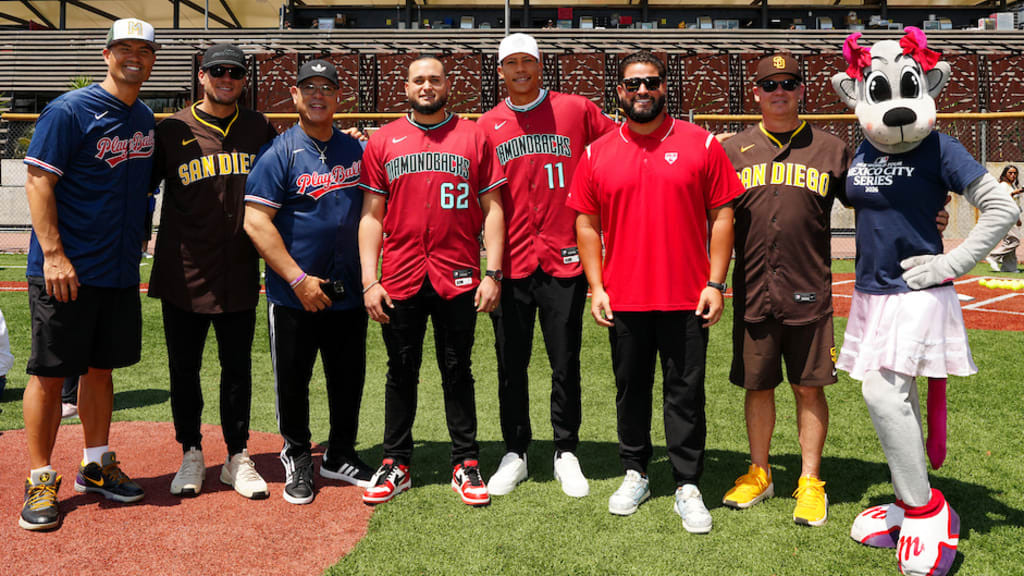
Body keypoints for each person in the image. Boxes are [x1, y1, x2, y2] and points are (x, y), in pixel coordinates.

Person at [568, 51, 743, 533]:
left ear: (665, 86)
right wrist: (597, 286)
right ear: (619, 92)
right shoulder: (597, 152)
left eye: (650, 82)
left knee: (685, 393)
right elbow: (586, 223)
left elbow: (722, 215)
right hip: (624, 296)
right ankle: (636, 471)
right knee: (631, 390)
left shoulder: (701, 144)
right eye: (632, 84)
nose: (641, 91)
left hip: (688, 295)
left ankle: (687, 482)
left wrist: (715, 282)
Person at [19, 18, 158, 531]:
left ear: (153, 59)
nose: (134, 57)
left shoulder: (143, 115)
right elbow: (37, 182)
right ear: (106, 54)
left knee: (101, 371)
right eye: (124, 48)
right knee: (51, 375)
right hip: (65, 272)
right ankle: (39, 478)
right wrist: (53, 254)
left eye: (143, 50)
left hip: (117, 270)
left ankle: (96, 465)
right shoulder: (69, 110)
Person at [358, 55, 506, 507]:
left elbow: (494, 207)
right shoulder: (384, 140)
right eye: (419, 80)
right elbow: (371, 216)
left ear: (448, 86)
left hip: (458, 274)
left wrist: (493, 272)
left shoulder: (474, 135)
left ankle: (465, 461)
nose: (427, 87)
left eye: (434, 80)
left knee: (458, 370)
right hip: (401, 276)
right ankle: (396, 463)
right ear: (406, 87)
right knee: (400, 373)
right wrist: (369, 280)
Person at [478, 33, 617, 498]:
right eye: (511, 63)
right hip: (513, 261)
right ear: (500, 71)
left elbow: (617, 148)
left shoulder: (576, 110)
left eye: (527, 62)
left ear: (541, 66)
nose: (520, 69)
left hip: (566, 257)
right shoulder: (489, 124)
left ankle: (566, 450)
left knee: (565, 361)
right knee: (509, 363)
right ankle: (515, 451)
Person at [719, 53, 851, 527]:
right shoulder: (732, 151)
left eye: (788, 83)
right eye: (769, 84)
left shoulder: (831, 149)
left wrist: (926, 212)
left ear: (801, 91)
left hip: (808, 289)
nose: (779, 91)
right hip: (753, 288)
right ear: (755, 93)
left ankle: (810, 479)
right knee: (757, 386)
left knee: (808, 386)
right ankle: (760, 471)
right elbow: (709, 218)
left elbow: (873, 202)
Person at [150, 44, 279, 500]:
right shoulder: (169, 131)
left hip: (239, 270)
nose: (227, 79)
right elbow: (136, 190)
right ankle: (190, 452)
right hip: (183, 272)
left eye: (236, 73)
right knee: (184, 369)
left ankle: (237, 456)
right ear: (201, 76)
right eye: (218, 71)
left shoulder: (259, 127)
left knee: (237, 369)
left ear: (244, 80)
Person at [244, 59, 371, 505]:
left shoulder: (356, 151)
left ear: (339, 98)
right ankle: (297, 454)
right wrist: (297, 279)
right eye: (308, 88)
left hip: (348, 290)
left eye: (327, 88)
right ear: (294, 96)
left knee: (347, 377)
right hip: (294, 293)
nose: (318, 95)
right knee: (293, 381)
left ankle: (340, 454)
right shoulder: (278, 153)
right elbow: (256, 221)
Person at [985, 164, 1023, 272]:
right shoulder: (1002, 185)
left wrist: (1018, 219)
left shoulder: (1011, 186)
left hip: (1012, 216)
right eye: (1010, 173)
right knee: (1014, 241)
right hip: (1005, 216)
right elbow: (1004, 199)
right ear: (1005, 174)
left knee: (1010, 242)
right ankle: (993, 256)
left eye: (1015, 173)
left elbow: (1014, 204)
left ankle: (1009, 268)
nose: (1013, 175)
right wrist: (1016, 192)